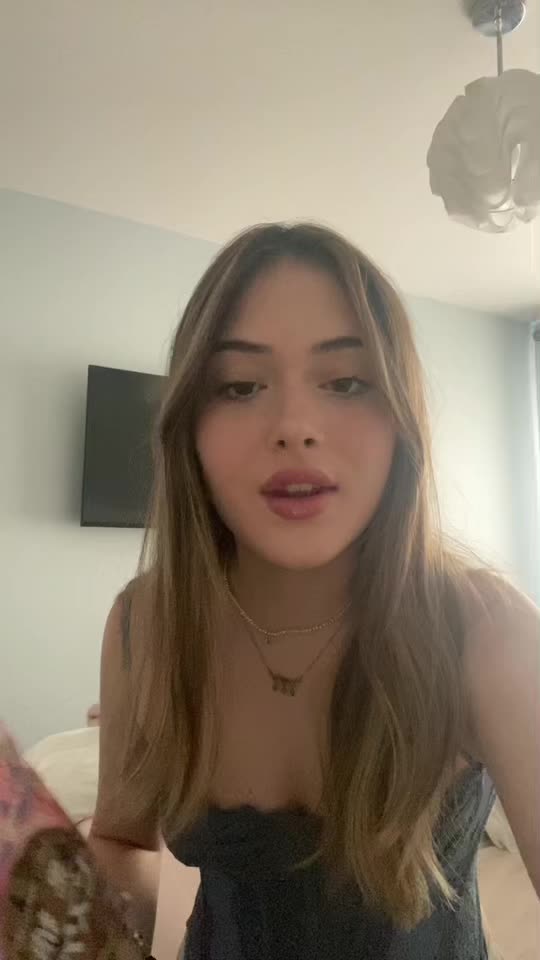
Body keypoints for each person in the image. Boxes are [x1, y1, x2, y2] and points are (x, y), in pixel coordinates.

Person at [89, 223, 540, 959]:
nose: (294, 427)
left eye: (346, 382)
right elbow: (118, 839)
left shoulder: (486, 630)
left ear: (400, 420)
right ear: (189, 426)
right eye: (240, 386)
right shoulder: (146, 625)